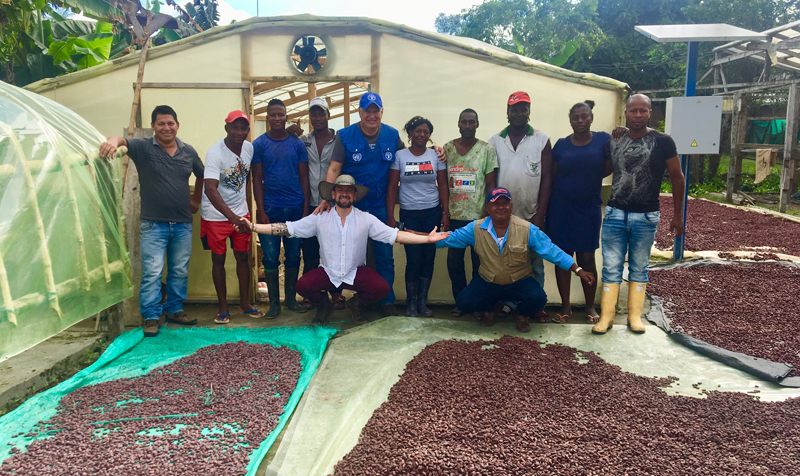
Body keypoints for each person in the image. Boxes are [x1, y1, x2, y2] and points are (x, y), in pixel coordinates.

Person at [246, 175, 450, 324]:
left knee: (381, 288)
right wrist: (253, 227)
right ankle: (324, 306)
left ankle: (357, 304)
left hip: (355, 272)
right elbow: (287, 228)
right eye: (340, 190)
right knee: (303, 286)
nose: (344, 194)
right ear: (333, 194)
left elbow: (395, 235)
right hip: (328, 271)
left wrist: (427, 240)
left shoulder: (366, 218)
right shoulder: (319, 218)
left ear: (354, 196)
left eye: (349, 190)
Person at [315, 93, 445, 317]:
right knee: (347, 254)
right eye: (367, 110)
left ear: (382, 113)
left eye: (376, 111)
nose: (372, 115)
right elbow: (335, 168)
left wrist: (437, 149)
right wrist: (327, 197)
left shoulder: (392, 135)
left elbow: (411, 155)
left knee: (385, 254)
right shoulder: (345, 136)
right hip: (350, 208)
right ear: (360, 112)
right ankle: (354, 300)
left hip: (380, 206)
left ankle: (386, 301)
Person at [99, 105, 204, 337]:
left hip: (183, 223)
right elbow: (121, 140)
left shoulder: (188, 151)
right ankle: (151, 316)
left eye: (170, 123)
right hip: (153, 224)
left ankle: (175, 309)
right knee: (153, 272)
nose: (166, 128)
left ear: (177, 125)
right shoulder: (144, 148)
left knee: (179, 270)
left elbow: (202, 174)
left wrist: (196, 200)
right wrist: (111, 142)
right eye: (161, 124)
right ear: (154, 127)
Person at [436, 188, 594, 333]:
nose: (501, 207)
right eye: (495, 204)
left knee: (538, 299)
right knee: (464, 301)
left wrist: (578, 270)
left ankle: (520, 314)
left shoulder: (527, 229)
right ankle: (492, 309)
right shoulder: (475, 228)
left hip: (519, 281)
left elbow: (551, 251)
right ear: (487, 208)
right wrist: (422, 238)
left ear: (511, 207)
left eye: (505, 203)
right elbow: (450, 238)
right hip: (489, 280)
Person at [592, 94, 685, 335]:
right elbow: (605, 169)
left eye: (643, 110)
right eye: (633, 110)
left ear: (650, 113)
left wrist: (677, 215)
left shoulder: (663, 141)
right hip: (614, 213)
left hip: (646, 216)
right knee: (611, 266)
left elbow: (677, 177)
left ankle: (634, 316)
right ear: (626, 112)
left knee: (639, 266)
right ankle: (607, 317)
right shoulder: (616, 140)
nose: (638, 115)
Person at [489, 91, 553, 323]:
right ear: (507, 112)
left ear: (529, 111)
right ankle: (508, 305)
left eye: (523, 108)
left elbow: (546, 178)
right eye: (514, 109)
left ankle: (535, 306)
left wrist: (541, 214)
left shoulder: (542, 140)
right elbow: (491, 178)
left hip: (532, 214)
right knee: (505, 262)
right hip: (503, 216)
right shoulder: (494, 141)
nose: (519, 113)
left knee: (535, 261)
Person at [545, 101, 609, 324]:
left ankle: (590, 306)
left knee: (587, 258)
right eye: (575, 117)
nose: (580, 121)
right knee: (563, 258)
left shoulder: (603, 140)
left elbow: (610, 164)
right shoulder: (561, 145)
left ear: (591, 117)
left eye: (584, 116)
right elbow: (551, 176)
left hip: (589, 209)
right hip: (561, 209)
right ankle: (565, 306)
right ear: (570, 120)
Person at [200, 111, 264, 324]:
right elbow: (210, 189)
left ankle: (245, 303)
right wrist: (232, 218)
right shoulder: (215, 153)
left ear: (248, 130)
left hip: (240, 212)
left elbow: (246, 179)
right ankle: (223, 307)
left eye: (243, 128)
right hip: (215, 215)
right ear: (226, 128)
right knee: (218, 259)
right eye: (234, 127)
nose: (239, 132)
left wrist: (244, 211)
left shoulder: (249, 148)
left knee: (243, 257)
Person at [251, 99, 311, 318]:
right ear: (267, 118)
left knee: (294, 255)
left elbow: (304, 176)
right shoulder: (259, 144)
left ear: (286, 117)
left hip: (295, 209)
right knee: (270, 256)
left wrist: (305, 208)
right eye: (273, 115)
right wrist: (261, 210)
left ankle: (291, 300)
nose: (277, 118)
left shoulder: (297, 144)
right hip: (271, 208)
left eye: (281, 114)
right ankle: (274, 304)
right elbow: (257, 179)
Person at [386, 116, 449, 317]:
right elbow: (392, 187)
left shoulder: (435, 156)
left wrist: (445, 213)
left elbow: (443, 186)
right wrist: (390, 216)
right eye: (418, 131)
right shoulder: (400, 156)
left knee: (428, 258)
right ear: (410, 133)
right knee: (413, 259)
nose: (422, 135)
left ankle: (422, 302)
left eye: (426, 132)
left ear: (430, 135)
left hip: (432, 212)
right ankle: (411, 304)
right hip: (409, 214)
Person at [443, 108, 498, 316]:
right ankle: (461, 301)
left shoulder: (487, 150)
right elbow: (442, 183)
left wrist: (488, 212)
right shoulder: (448, 149)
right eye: (464, 122)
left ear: (477, 124)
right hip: (455, 216)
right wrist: (445, 213)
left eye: (471, 122)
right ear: (458, 124)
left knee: (479, 264)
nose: (467, 126)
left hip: (479, 218)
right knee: (454, 263)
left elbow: (491, 183)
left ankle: (477, 303)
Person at [297, 97, 345, 311]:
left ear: (328, 114)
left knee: (332, 252)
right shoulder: (303, 141)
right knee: (310, 251)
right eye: (313, 114)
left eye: (321, 113)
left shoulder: (339, 140)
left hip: (334, 206)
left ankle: (336, 293)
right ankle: (311, 293)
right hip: (311, 204)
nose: (317, 118)